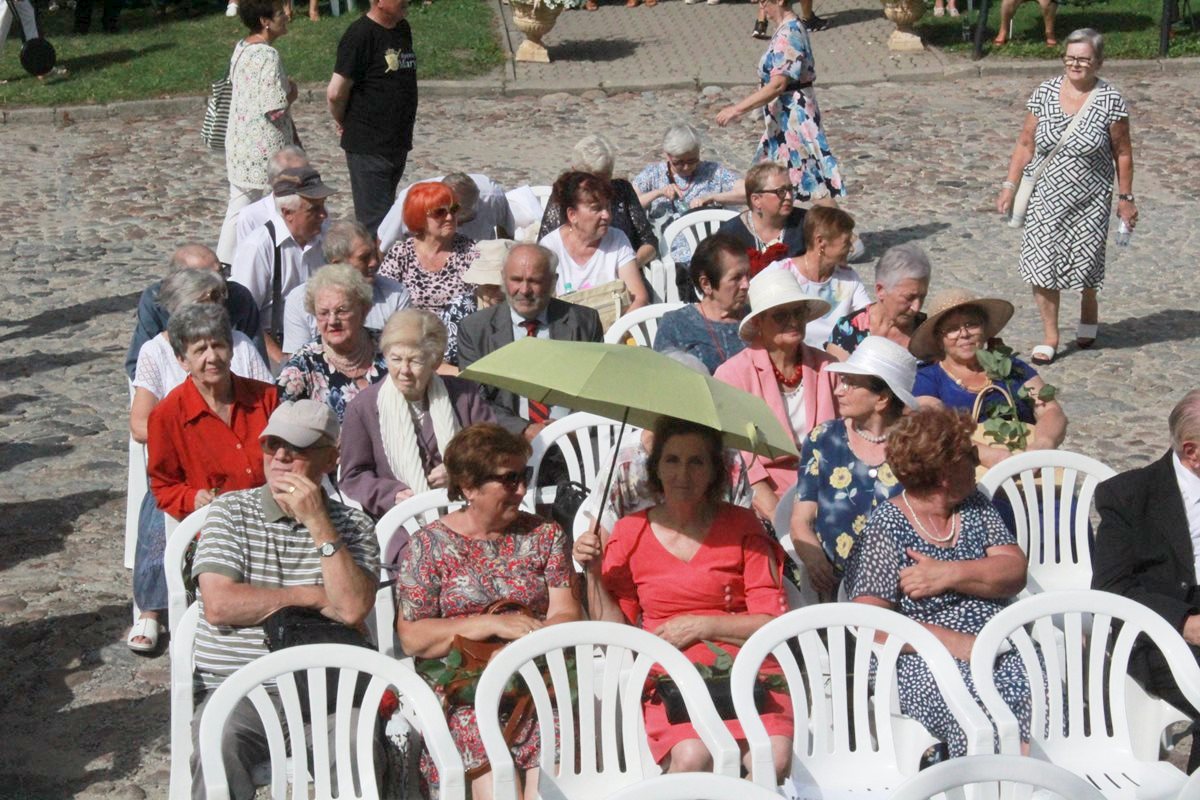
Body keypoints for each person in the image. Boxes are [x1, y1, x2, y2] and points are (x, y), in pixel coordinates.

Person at [574, 417, 794, 781]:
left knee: (772, 759)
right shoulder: (630, 531)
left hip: (749, 666)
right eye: (672, 460)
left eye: (696, 462)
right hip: (671, 671)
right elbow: (616, 633)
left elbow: (772, 621)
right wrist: (594, 574)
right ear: (656, 468)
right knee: (693, 757)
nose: (683, 474)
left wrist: (702, 625)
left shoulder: (743, 525)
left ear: (714, 471)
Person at [189, 399, 380, 799]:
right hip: (238, 689)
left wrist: (319, 523)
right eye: (272, 444)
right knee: (219, 742)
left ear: (330, 459)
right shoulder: (230, 512)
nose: (280, 456)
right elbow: (220, 604)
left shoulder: (354, 525)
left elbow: (351, 608)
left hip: (326, 695)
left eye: (297, 448)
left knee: (356, 745)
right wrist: (310, 596)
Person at [395, 423, 582, 800]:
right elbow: (413, 637)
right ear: (468, 486)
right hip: (464, 687)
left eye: (524, 476)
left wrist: (520, 649)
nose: (521, 489)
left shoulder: (545, 536)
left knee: (553, 769)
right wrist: (491, 624)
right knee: (495, 776)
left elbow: (567, 615)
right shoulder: (428, 546)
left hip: (534, 680)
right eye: (509, 479)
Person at [843, 406, 1032, 758]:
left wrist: (949, 573)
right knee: (978, 720)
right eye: (970, 455)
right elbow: (870, 623)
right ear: (945, 473)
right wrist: (953, 642)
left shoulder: (974, 505)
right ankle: (985, 782)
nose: (977, 461)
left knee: (1041, 704)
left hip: (997, 646)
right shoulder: (887, 526)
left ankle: (1034, 778)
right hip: (922, 658)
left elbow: (1014, 570)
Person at [132, 305, 280, 653]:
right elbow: (163, 487)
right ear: (182, 360)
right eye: (200, 349)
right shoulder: (168, 415)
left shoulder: (266, 399)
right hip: (215, 532)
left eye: (219, 345)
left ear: (231, 349)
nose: (212, 357)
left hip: (275, 523)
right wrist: (192, 498)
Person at [997, 28, 1135, 364]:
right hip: (1045, 195)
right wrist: (1009, 186)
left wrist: (1126, 198)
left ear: (1098, 62)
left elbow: (1122, 152)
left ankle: (1089, 302)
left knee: (1086, 263)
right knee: (1042, 263)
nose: (1075, 64)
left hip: (1091, 197)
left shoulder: (1110, 100)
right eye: (1070, 57)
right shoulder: (1045, 92)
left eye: (1084, 59)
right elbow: (1025, 143)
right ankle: (1050, 335)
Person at [1091, 389, 1200, 772]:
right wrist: (1185, 622)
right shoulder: (1129, 496)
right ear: (1193, 453)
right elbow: (1112, 589)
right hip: (1161, 635)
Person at [790, 336, 918, 598]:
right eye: (842, 381)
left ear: (882, 398)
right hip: (834, 583)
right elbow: (800, 519)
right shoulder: (824, 438)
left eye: (850, 383)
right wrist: (814, 559)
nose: (839, 390)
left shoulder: (918, 444)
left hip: (905, 584)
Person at [340, 310, 494, 518]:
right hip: (403, 522)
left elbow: (494, 450)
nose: (404, 370)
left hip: (468, 514)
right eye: (396, 359)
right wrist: (391, 494)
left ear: (435, 362)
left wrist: (460, 471)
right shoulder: (362, 408)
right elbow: (353, 476)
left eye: (415, 361)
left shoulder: (464, 395)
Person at [714, 269, 835, 522]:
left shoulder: (828, 367)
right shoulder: (733, 375)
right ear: (759, 322)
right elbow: (739, 460)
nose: (793, 321)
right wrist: (780, 518)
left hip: (829, 487)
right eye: (781, 315)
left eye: (798, 312)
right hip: (764, 496)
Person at [908, 289, 1068, 470]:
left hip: (1028, 467)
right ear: (939, 339)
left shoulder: (1010, 367)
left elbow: (1051, 410)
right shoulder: (928, 378)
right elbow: (934, 426)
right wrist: (985, 454)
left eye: (971, 324)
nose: (964, 334)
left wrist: (1042, 444)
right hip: (966, 473)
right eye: (952, 329)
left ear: (984, 329)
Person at [457, 243, 603, 440]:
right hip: (505, 441)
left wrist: (569, 426)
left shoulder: (583, 322)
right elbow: (475, 400)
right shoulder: (475, 329)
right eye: (516, 280)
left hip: (573, 439)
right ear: (503, 278)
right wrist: (524, 429)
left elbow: (596, 391)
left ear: (553, 282)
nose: (524, 290)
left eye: (535, 281)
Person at [716, 0, 845, 204]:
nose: (760, 6)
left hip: (794, 120)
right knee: (767, 183)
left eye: (763, 1)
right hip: (782, 120)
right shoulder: (784, 29)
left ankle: (839, 228)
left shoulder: (789, 33)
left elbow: (778, 84)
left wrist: (737, 109)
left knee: (812, 184)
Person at [131, 273, 272, 445]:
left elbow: (269, 402)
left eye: (217, 300)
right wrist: (200, 439)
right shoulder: (155, 351)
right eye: (204, 305)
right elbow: (139, 426)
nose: (215, 308)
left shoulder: (241, 342)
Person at [216, 0, 299, 268]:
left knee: (239, 203)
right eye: (280, 13)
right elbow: (274, 108)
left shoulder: (242, 47)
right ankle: (265, 260)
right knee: (272, 203)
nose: (286, 15)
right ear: (265, 21)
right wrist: (291, 93)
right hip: (262, 145)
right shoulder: (267, 55)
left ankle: (226, 263)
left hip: (241, 139)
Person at [326, 0, 418, 236]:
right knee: (377, 227)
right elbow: (335, 92)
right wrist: (342, 120)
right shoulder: (359, 35)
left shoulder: (402, 28)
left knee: (390, 219)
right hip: (369, 145)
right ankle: (375, 260)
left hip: (396, 142)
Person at [231, 166, 336, 365]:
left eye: (323, 205)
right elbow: (245, 316)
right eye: (314, 209)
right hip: (275, 347)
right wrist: (282, 361)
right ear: (288, 213)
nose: (323, 215)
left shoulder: (327, 236)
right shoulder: (259, 247)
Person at [125, 244, 264, 381]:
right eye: (208, 278)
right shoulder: (155, 300)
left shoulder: (238, 298)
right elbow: (137, 367)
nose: (221, 284)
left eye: (221, 272)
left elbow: (258, 361)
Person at [281, 220, 411, 356]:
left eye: (374, 254)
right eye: (364, 258)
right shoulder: (300, 300)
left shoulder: (396, 294)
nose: (374, 262)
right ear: (338, 264)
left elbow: (405, 352)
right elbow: (297, 358)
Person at [277, 264, 387, 423]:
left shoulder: (389, 347)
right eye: (323, 313)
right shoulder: (301, 367)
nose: (332, 321)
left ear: (364, 310)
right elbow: (280, 426)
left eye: (342, 310)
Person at [537, 134, 658, 267]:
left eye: (605, 178)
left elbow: (649, 241)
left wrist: (628, 265)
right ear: (575, 172)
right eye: (593, 180)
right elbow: (543, 250)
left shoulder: (623, 191)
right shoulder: (564, 198)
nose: (600, 187)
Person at [632, 123, 743, 266]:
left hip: (710, 253)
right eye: (678, 162)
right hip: (669, 256)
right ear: (667, 155)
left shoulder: (713, 171)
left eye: (692, 161)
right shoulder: (653, 174)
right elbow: (630, 204)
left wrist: (713, 197)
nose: (686, 167)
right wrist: (658, 193)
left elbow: (749, 192)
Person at [538, 171, 648, 312]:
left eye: (607, 207)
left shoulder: (618, 239)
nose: (606, 215)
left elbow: (639, 297)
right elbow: (543, 304)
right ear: (572, 215)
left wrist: (621, 325)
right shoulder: (550, 247)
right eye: (596, 208)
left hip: (618, 323)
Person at [765, 205, 868, 348]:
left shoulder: (848, 277)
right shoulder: (781, 273)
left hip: (838, 354)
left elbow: (867, 317)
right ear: (820, 242)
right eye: (846, 242)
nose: (851, 249)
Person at [378, 181, 480, 316]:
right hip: (410, 325)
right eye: (440, 212)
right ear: (419, 217)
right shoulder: (401, 254)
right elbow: (383, 299)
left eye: (454, 209)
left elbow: (484, 299)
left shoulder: (470, 251)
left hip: (458, 327)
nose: (449, 217)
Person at [652, 233, 749, 374]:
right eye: (736, 278)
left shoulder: (757, 317)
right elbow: (663, 378)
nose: (746, 285)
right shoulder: (677, 324)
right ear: (706, 284)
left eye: (747, 275)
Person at [826, 242, 931, 361]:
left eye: (922, 297)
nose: (916, 307)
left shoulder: (929, 334)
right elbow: (835, 372)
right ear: (880, 290)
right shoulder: (848, 331)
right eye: (909, 297)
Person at [378, 172, 515, 252]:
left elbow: (507, 233)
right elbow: (383, 244)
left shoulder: (492, 197)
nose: (456, 223)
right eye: (449, 213)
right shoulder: (412, 200)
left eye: (467, 218)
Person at [717, 163, 807, 274]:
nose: (789, 197)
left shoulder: (806, 223)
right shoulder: (731, 235)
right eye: (781, 191)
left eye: (790, 189)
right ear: (756, 200)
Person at [440, 239, 512, 370]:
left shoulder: (523, 309)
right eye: (490, 286)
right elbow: (443, 364)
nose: (499, 291)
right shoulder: (460, 308)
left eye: (504, 285)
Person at [232, 145, 310, 254]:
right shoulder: (251, 217)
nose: (308, 184)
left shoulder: (318, 212)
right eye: (299, 178)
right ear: (276, 183)